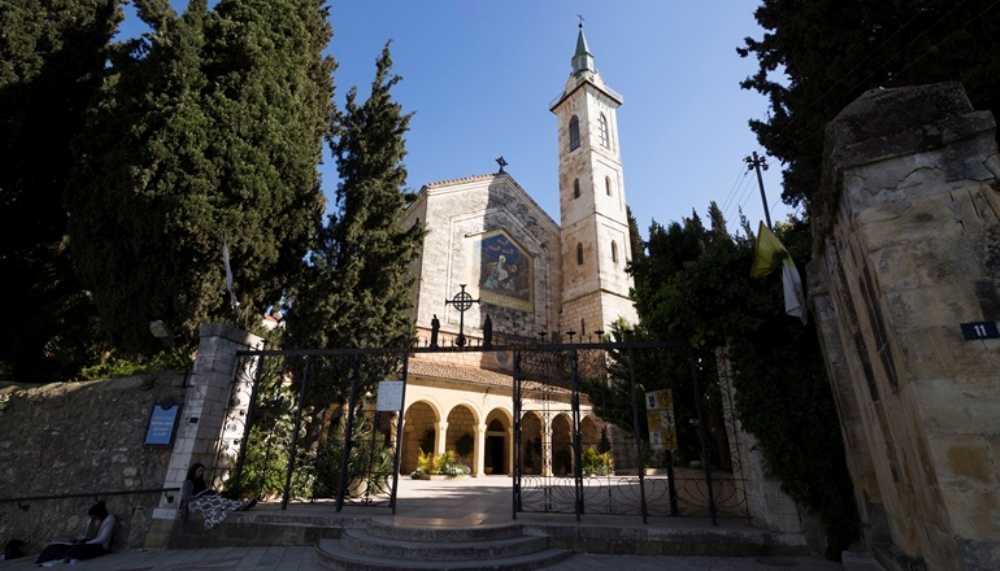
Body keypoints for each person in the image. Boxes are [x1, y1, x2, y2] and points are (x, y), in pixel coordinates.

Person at [34, 501, 114, 566]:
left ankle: (62, 559)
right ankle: (47, 558)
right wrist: (78, 540)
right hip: (87, 542)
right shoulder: (93, 521)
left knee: (76, 549)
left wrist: (86, 543)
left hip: (99, 546)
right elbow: (86, 535)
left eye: (94, 517)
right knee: (55, 547)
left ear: (100, 514)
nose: (93, 519)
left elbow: (102, 539)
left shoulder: (109, 519)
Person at [181, 463, 255, 529]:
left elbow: (205, 492)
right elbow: (186, 498)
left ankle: (240, 505)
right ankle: (239, 506)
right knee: (217, 502)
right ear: (194, 471)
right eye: (199, 471)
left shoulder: (201, 482)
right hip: (193, 504)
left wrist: (211, 493)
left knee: (219, 500)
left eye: (202, 471)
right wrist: (200, 495)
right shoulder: (188, 482)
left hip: (203, 500)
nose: (201, 473)